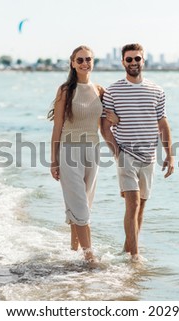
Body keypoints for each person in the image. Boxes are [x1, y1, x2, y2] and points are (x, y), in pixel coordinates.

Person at [101, 43, 174, 262]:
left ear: (144, 61)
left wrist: (170, 155)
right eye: (129, 59)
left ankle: (127, 249)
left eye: (137, 59)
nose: (133, 62)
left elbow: (163, 123)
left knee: (141, 205)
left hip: (149, 157)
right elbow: (104, 126)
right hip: (126, 155)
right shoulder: (113, 91)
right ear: (122, 62)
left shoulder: (156, 90)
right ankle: (135, 257)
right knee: (131, 203)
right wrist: (117, 152)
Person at [49, 45, 118, 264]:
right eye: (80, 60)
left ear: (93, 62)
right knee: (80, 206)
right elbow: (57, 127)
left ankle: (72, 252)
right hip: (69, 152)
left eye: (88, 59)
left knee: (83, 204)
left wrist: (118, 152)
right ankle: (90, 259)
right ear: (72, 63)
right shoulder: (65, 90)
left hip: (93, 152)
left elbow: (106, 125)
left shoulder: (99, 90)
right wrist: (53, 161)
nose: (84, 63)